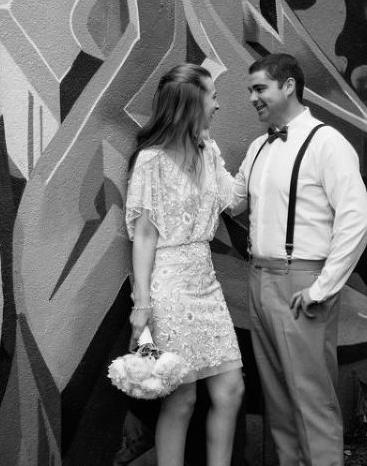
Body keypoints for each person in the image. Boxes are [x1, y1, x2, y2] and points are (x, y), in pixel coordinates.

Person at [230, 53, 367, 466]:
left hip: (301, 283)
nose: (252, 98)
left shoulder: (327, 143)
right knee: (277, 401)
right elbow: (234, 200)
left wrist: (323, 287)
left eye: (260, 89)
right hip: (259, 281)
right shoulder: (258, 146)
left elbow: (358, 218)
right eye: (250, 91)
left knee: (312, 401)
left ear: (288, 86)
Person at [124, 63, 244, 466]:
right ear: (191, 102)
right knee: (181, 397)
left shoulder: (208, 152)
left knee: (230, 388)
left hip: (206, 281)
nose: (218, 104)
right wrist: (142, 303)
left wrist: (270, 153)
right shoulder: (151, 162)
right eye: (212, 96)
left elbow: (235, 198)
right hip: (169, 286)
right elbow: (143, 236)